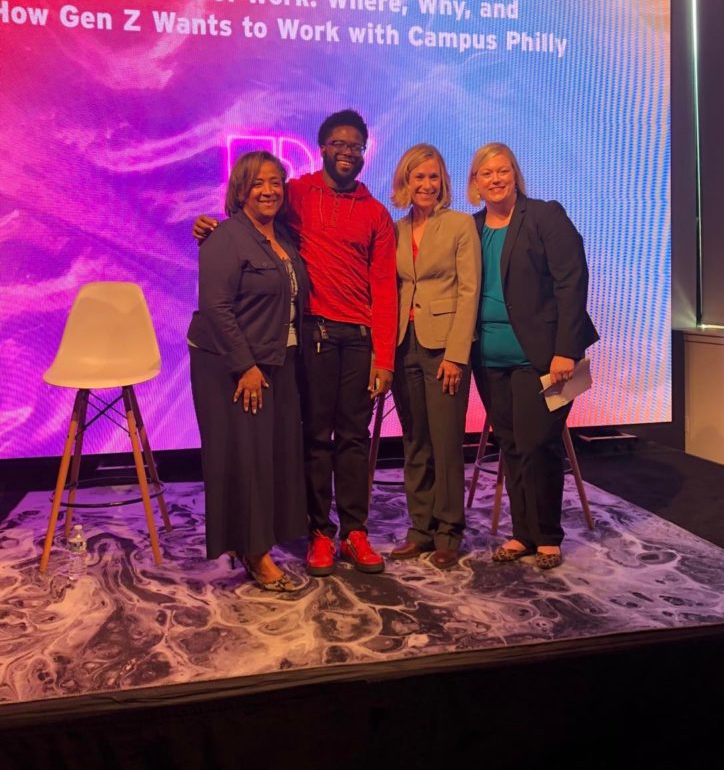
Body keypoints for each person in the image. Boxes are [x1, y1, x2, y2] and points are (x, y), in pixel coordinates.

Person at [194, 110, 397, 577]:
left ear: (364, 152)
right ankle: (319, 534)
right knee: (314, 438)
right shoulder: (298, 194)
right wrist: (211, 227)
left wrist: (384, 357)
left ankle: (355, 531)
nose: (346, 152)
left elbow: (385, 287)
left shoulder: (376, 213)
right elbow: (249, 221)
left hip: (361, 341)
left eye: (355, 146)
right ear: (322, 147)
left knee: (353, 438)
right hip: (314, 335)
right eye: (338, 144)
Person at [468, 143, 598, 570]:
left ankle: (547, 535)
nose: (495, 179)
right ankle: (522, 533)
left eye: (503, 170)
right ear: (475, 182)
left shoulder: (545, 216)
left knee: (538, 443)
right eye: (486, 173)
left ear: (515, 174)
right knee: (511, 444)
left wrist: (566, 349)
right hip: (488, 359)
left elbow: (571, 282)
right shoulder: (470, 229)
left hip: (542, 359)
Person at [188, 151, 309, 590]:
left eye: (276, 181)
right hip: (232, 366)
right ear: (240, 189)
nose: (269, 190)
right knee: (247, 459)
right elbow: (216, 308)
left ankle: (255, 542)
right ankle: (257, 556)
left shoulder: (282, 238)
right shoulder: (225, 238)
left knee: (266, 456)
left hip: (275, 361)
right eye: (259, 182)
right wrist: (246, 366)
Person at [388, 145, 480, 570]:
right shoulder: (396, 229)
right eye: (417, 177)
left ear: (443, 181)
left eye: (433, 177)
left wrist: (457, 356)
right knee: (415, 443)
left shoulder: (460, 225)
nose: (426, 185)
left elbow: (469, 292)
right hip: (404, 344)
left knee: (445, 444)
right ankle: (420, 529)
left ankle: (448, 531)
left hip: (444, 349)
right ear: (404, 182)